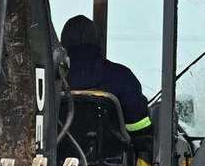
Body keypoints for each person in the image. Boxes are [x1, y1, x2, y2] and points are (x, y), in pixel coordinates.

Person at [60, 14, 153, 146]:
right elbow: (139, 125)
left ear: (63, 43)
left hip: (57, 160)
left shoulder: (51, 80)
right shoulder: (121, 76)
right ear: (98, 40)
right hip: (114, 161)